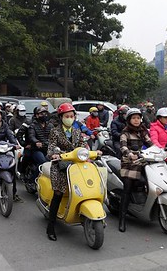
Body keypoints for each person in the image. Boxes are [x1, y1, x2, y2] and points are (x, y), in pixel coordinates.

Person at [46, 103, 101, 241]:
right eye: (67, 116)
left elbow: (82, 145)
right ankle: (51, 226)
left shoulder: (77, 131)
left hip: (76, 165)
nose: (70, 118)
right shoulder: (55, 131)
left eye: (72, 116)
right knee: (58, 193)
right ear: (61, 117)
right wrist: (54, 154)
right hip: (60, 165)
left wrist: (91, 152)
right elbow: (51, 147)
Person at [117, 107, 153, 232]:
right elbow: (123, 147)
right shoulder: (125, 132)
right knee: (127, 188)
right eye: (134, 118)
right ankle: (122, 219)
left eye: (138, 118)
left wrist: (159, 150)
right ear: (129, 120)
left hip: (143, 161)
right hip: (129, 163)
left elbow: (150, 143)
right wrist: (130, 154)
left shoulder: (143, 130)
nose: (137, 120)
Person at [23, 106, 52, 181]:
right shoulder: (32, 125)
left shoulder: (50, 125)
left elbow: (54, 135)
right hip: (37, 149)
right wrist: (37, 142)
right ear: (36, 115)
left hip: (48, 148)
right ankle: (33, 180)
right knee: (43, 163)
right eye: (41, 114)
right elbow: (31, 136)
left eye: (45, 113)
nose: (43, 115)